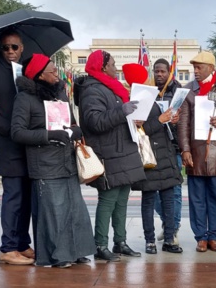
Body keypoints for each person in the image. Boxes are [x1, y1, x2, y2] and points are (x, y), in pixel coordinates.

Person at [11, 54, 94, 268]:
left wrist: (75, 131)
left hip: (67, 161)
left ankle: (77, 251)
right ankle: (56, 255)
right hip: (45, 164)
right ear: (39, 75)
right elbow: (18, 133)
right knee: (53, 213)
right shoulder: (25, 99)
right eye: (52, 72)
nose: (57, 75)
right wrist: (48, 135)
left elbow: (74, 122)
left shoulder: (60, 94)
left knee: (75, 210)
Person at [75, 49, 144, 261]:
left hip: (121, 150)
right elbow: (95, 122)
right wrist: (122, 111)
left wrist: (131, 118)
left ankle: (120, 242)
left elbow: (115, 118)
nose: (117, 68)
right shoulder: (92, 90)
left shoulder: (110, 88)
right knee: (108, 199)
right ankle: (100, 244)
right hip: (108, 152)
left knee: (122, 198)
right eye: (114, 64)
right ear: (104, 67)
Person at [0, 31, 36, 266]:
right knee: (14, 196)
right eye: (5, 47)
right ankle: (8, 247)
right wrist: (11, 129)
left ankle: (21, 243)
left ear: (22, 47)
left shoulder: (28, 69)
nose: (10, 51)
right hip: (8, 143)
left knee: (27, 197)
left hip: (29, 143)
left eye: (14, 47)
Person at [177, 50, 216, 252]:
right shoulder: (188, 91)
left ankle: (213, 236)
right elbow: (183, 123)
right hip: (195, 150)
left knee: (215, 196)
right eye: (194, 67)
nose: (195, 71)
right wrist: (184, 149)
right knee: (196, 197)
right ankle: (200, 237)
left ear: (211, 68)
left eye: (199, 67)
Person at [123, 63, 183, 255]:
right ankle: (151, 240)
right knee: (149, 200)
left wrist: (170, 120)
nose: (154, 77)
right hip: (151, 157)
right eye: (151, 74)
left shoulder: (150, 98)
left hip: (164, 155)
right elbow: (140, 131)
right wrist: (160, 120)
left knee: (168, 200)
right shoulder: (137, 100)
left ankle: (169, 238)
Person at [152, 58, 183, 245]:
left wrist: (177, 121)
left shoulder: (179, 92)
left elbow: (186, 119)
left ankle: (173, 228)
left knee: (175, 192)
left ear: (169, 72)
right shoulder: (149, 92)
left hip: (174, 148)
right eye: (157, 71)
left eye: (163, 71)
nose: (159, 74)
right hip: (154, 148)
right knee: (154, 191)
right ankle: (167, 223)